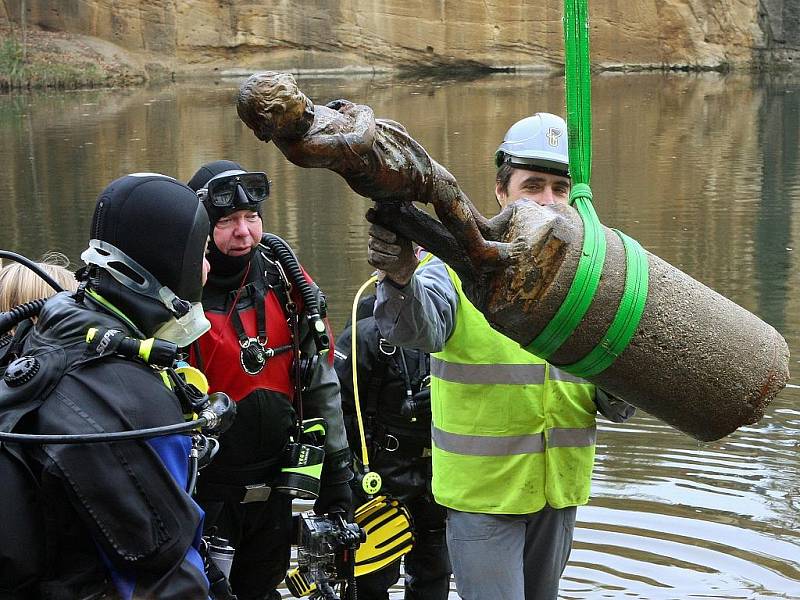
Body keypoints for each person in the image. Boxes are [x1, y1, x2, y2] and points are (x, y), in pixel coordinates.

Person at [367, 114, 635, 600]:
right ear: (501, 193)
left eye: (560, 187)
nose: (549, 201)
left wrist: (635, 370)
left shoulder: (597, 283)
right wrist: (402, 277)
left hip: (558, 489)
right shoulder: (455, 268)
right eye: (533, 186)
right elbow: (418, 327)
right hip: (484, 494)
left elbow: (615, 402)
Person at [0, 173, 213, 599]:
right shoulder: (124, 399)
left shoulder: (46, 337)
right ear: (173, 264)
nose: (208, 269)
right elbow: (164, 575)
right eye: (201, 255)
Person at [187, 160, 353, 600]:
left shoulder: (283, 279)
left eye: (252, 218)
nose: (244, 232)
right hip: (204, 492)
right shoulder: (177, 294)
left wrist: (337, 479)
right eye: (227, 222)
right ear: (201, 227)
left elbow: (321, 383)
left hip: (276, 488)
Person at [334, 290, 451, 600]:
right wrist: (347, 475)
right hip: (379, 473)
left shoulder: (454, 329)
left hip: (439, 474)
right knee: (370, 576)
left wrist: (444, 398)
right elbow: (336, 409)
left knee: (435, 572)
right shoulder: (367, 334)